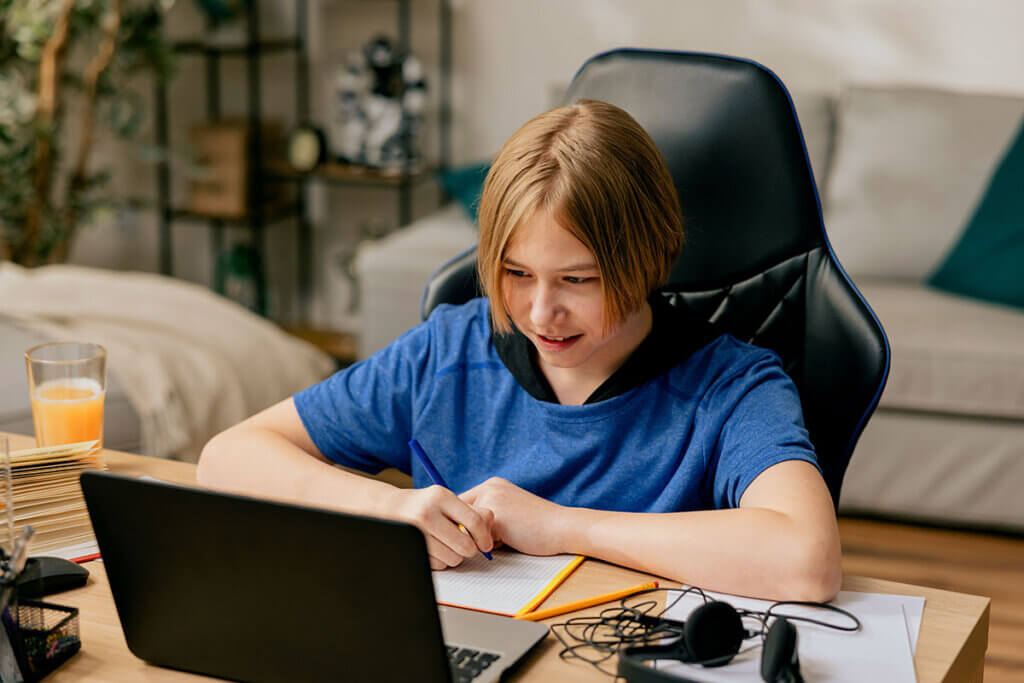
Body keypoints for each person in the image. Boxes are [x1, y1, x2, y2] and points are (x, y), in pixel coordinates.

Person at [198, 99, 841, 602]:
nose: (539, 313)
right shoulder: (448, 352)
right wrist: (389, 506)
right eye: (516, 273)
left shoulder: (731, 386)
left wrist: (562, 526)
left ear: (647, 260)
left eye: (578, 280)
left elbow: (807, 561)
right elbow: (228, 458)